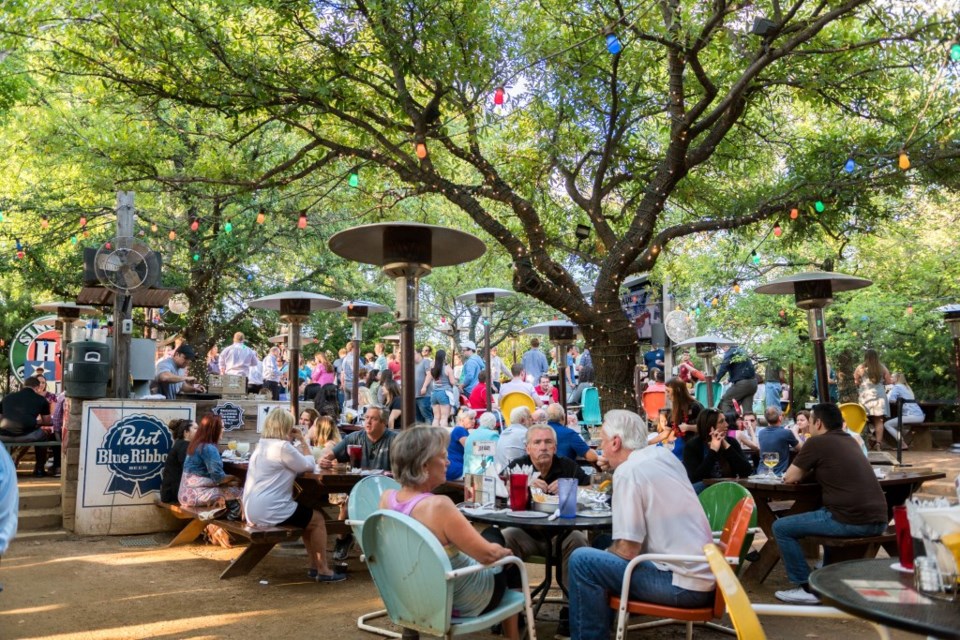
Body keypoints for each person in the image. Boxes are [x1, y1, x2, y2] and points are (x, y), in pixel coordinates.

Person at [568, 410, 715, 640]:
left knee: (582, 560)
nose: (601, 449)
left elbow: (628, 550)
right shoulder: (663, 456)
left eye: (603, 442)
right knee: (601, 543)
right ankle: (601, 630)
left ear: (616, 442)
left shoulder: (629, 472)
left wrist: (607, 554)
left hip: (682, 585)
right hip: (700, 572)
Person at [380, 426, 521, 638]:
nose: (448, 462)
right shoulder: (439, 506)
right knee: (497, 542)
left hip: (412, 598)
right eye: (444, 457)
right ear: (425, 464)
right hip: (460, 600)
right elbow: (487, 556)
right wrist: (504, 554)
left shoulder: (387, 499)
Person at [773, 403, 888, 604]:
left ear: (818, 423)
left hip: (849, 519)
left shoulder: (817, 443)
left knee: (780, 527)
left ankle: (807, 588)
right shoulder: (851, 440)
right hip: (879, 519)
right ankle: (824, 577)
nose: (807, 427)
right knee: (823, 511)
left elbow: (790, 477)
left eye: (809, 422)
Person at [502, 424, 589, 636]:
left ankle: (570, 611)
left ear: (555, 447)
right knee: (505, 538)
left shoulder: (567, 466)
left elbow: (590, 488)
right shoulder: (517, 466)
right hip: (527, 534)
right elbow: (499, 491)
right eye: (537, 442)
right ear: (528, 448)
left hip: (563, 534)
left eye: (548, 442)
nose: (543, 447)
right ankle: (513, 611)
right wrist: (523, 484)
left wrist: (572, 486)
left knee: (579, 541)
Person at [243, 408, 345, 583]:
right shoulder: (282, 447)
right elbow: (309, 465)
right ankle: (324, 570)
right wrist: (303, 442)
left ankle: (315, 566)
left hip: (252, 507)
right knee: (318, 519)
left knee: (308, 519)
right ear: (286, 427)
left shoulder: (262, 444)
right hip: (270, 508)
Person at [320, 405, 398, 561]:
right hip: (358, 488)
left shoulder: (395, 440)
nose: (368, 422)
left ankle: (386, 550)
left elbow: (407, 467)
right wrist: (323, 460)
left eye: (373, 419)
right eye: (366, 418)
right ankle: (343, 540)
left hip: (387, 490)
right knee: (347, 506)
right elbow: (330, 456)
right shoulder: (355, 438)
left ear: (383, 422)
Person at [178, 413, 242, 513]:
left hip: (184, 493)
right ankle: (235, 519)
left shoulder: (196, 444)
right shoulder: (209, 448)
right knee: (241, 491)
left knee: (231, 488)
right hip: (196, 495)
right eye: (222, 427)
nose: (223, 430)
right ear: (214, 429)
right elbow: (219, 478)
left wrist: (230, 481)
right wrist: (234, 477)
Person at [682, 409, 753, 492]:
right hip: (706, 494)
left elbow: (746, 471)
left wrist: (726, 446)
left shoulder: (731, 442)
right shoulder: (693, 446)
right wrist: (713, 450)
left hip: (729, 491)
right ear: (710, 426)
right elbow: (695, 478)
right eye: (721, 422)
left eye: (725, 420)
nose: (727, 424)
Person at [0, 376, 54, 477]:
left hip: (3, 435)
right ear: (37, 387)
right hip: (27, 435)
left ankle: (6, 467)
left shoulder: (7, 397)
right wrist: (35, 421)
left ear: (23, 385)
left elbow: (1, 418)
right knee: (44, 436)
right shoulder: (41, 400)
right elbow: (47, 422)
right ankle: (39, 469)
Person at [853, 348, 893, 450]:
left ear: (865, 356)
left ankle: (868, 440)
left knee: (863, 419)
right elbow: (889, 381)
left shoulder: (860, 368)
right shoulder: (882, 367)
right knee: (879, 421)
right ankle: (878, 443)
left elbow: (856, 382)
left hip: (865, 396)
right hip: (879, 396)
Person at [655, 378, 701, 460]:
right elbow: (665, 433)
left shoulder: (694, 407)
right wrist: (647, 443)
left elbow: (705, 427)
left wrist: (688, 427)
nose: (667, 395)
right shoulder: (675, 410)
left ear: (678, 391)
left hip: (695, 447)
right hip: (683, 445)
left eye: (668, 391)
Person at [160, 419, 197, 504]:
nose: (199, 431)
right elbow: (188, 470)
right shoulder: (184, 446)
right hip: (174, 495)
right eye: (195, 428)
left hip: (170, 492)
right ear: (186, 432)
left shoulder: (181, 444)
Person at [884, 372, 924, 449]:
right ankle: (902, 443)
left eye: (892, 377)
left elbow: (891, 400)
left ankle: (902, 444)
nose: (890, 378)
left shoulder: (897, 387)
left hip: (912, 415)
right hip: (919, 415)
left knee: (887, 424)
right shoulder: (906, 387)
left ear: (897, 379)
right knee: (895, 424)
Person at [715, 345, 758, 414]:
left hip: (743, 384)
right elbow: (741, 368)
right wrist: (729, 379)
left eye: (723, 347)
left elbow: (724, 366)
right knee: (748, 411)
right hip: (753, 383)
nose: (723, 350)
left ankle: (730, 422)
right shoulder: (742, 351)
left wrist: (716, 379)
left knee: (725, 401)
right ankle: (750, 423)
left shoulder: (730, 352)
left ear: (726, 345)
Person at [421, 349, 458, 428]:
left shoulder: (433, 369)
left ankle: (435, 437)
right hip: (445, 393)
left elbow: (428, 378)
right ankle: (443, 437)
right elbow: (452, 382)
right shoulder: (447, 368)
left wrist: (424, 387)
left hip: (434, 394)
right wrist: (456, 381)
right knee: (444, 418)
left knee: (436, 417)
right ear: (444, 358)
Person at [758, 406, 798, 475]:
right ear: (780, 417)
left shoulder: (761, 433)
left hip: (761, 473)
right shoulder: (786, 433)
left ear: (766, 419)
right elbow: (800, 448)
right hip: (779, 474)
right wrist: (795, 431)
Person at [445, 408, 476, 481]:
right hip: (456, 468)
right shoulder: (460, 430)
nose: (474, 421)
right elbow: (470, 449)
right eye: (471, 419)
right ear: (462, 419)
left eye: (474, 419)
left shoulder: (461, 430)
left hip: (454, 466)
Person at [415, 345, 435, 424]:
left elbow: (429, 374)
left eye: (414, 354)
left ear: (418, 354)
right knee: (417, 418)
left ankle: (429, 435)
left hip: (423, 395)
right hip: (415, 395)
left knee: (427, 416)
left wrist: (424, 387)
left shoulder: (425, 361)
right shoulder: (413, 364)